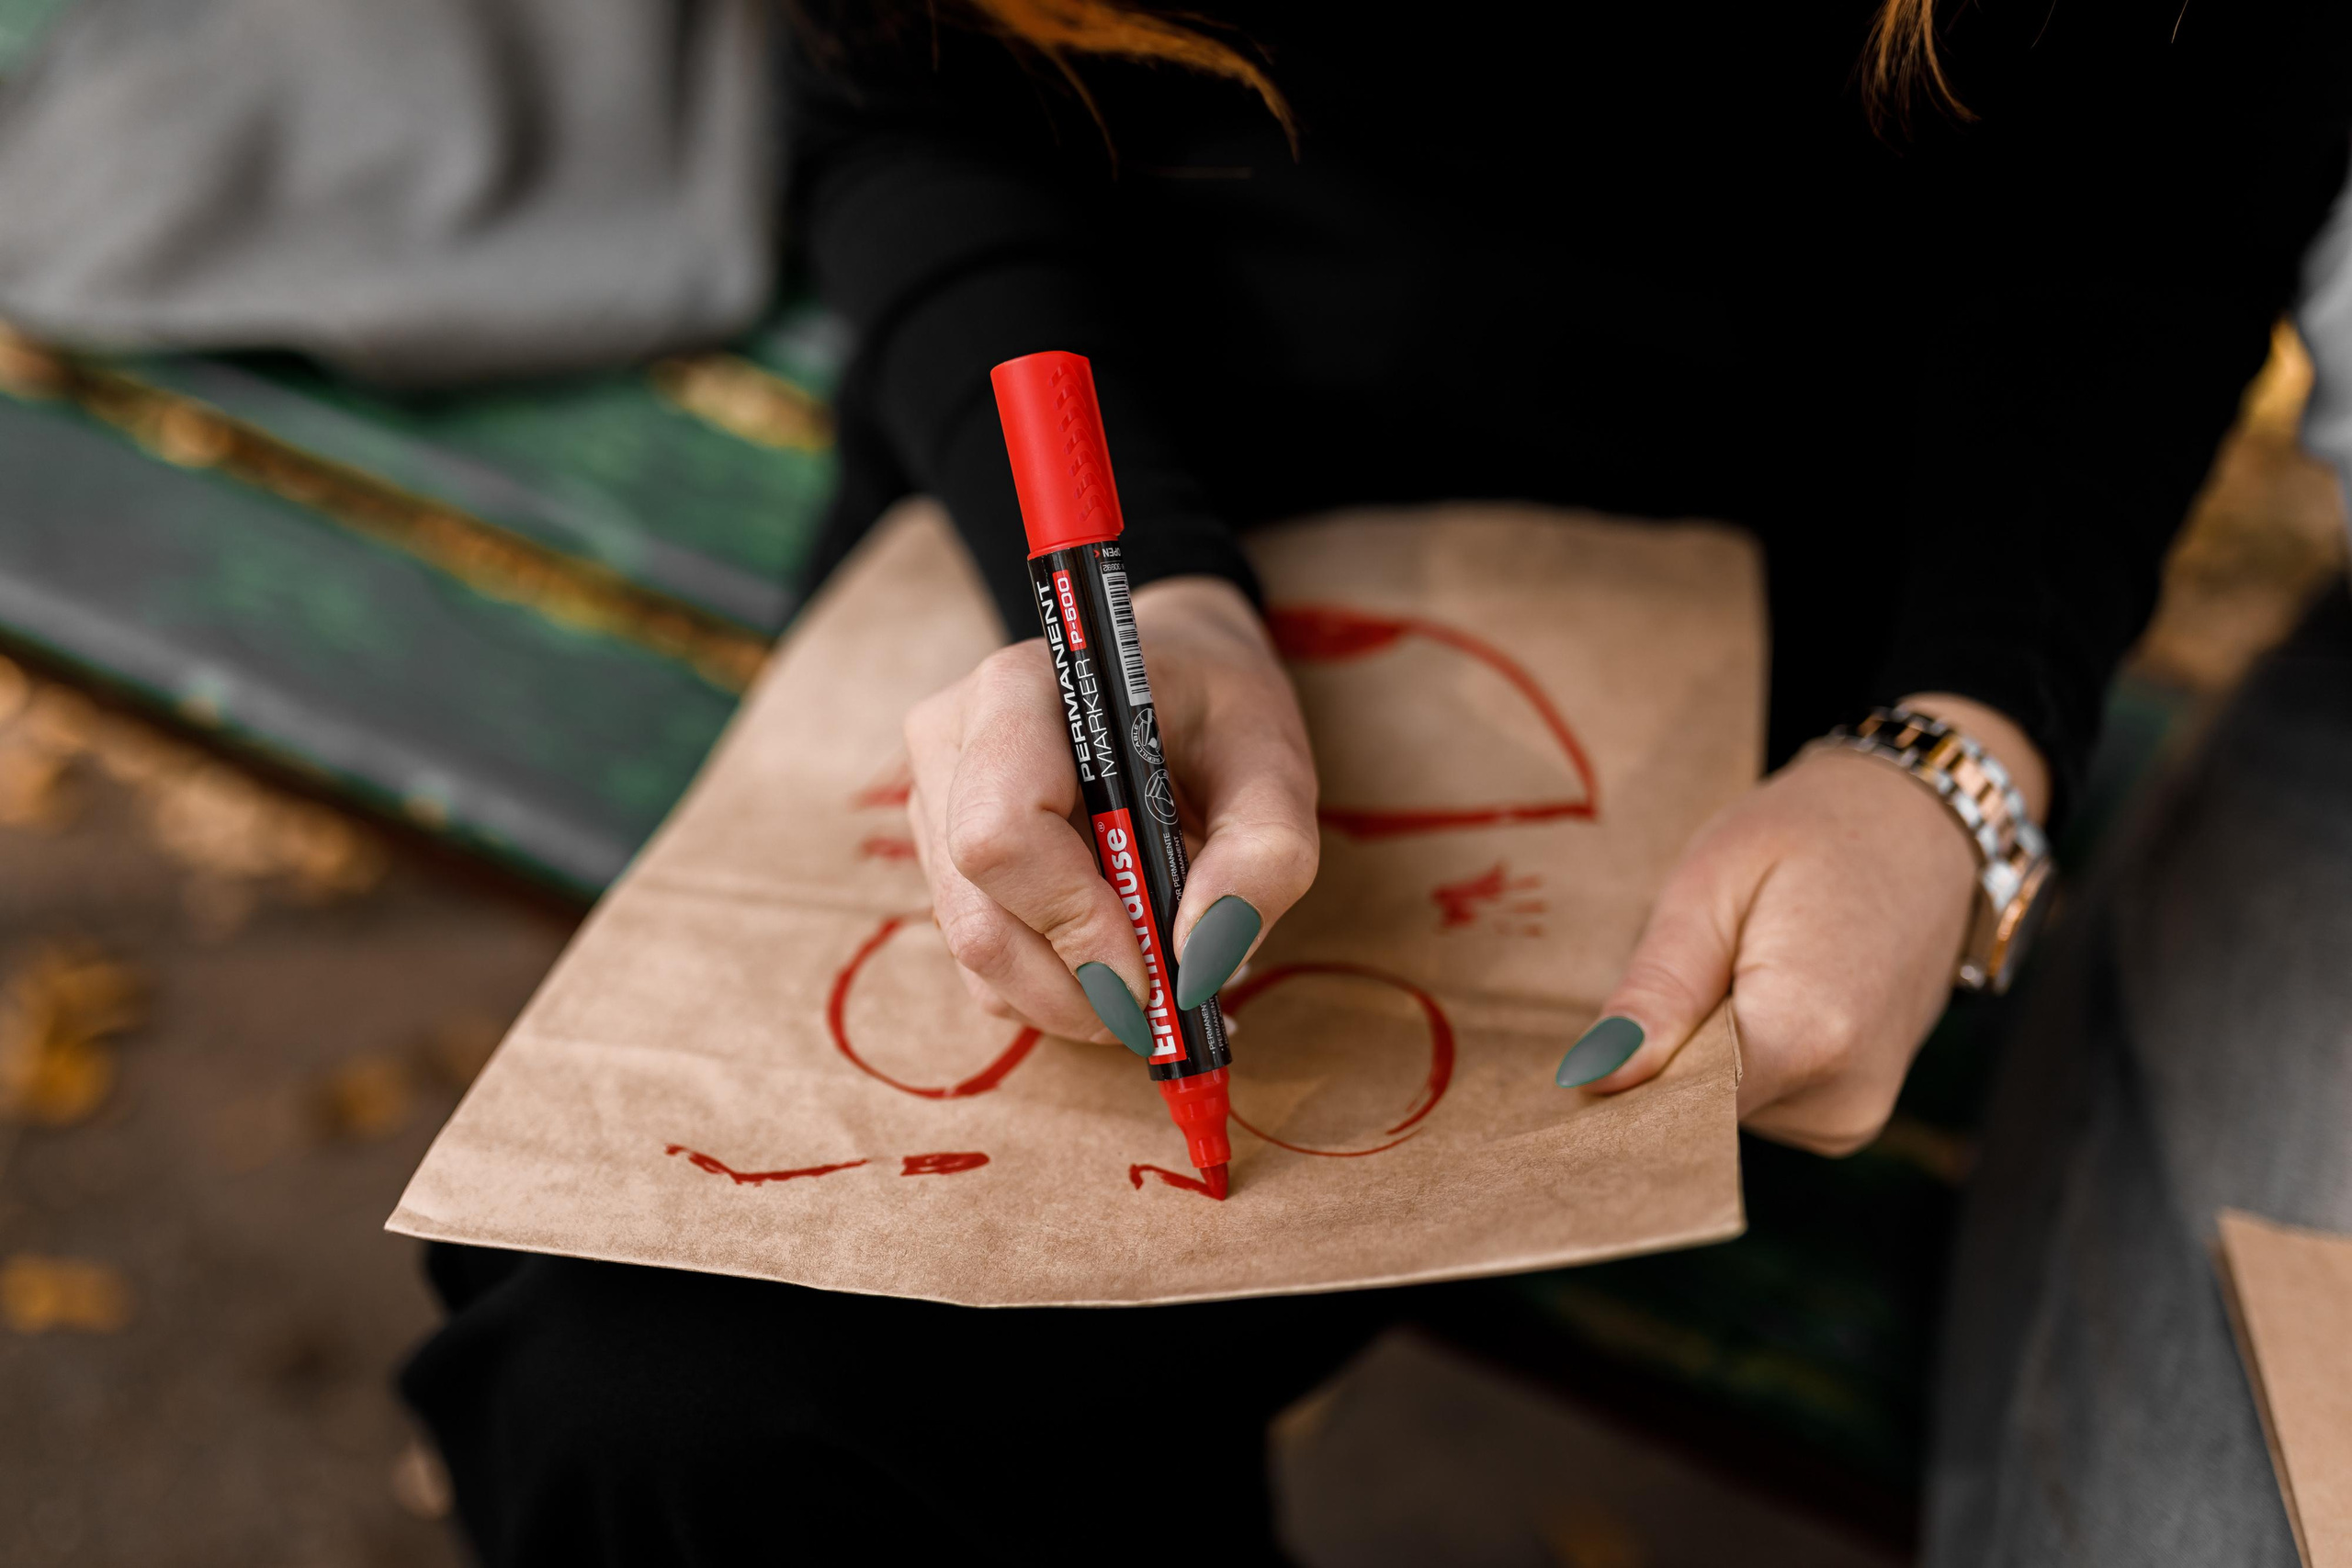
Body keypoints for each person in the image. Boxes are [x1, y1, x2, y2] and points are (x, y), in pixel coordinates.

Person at [400, 0, 2352, 1561]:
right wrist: (1143, 579)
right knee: (647, 1375)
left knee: (705, 1409)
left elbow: (2155, 208)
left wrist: (1957, 751)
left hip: (1761, 655)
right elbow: (901, 94)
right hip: (1065, 533)